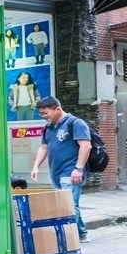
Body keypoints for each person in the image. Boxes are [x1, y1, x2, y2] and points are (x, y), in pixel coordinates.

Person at [30, 96, 92, 242]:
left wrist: (78, 169)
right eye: (41, 113)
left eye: (45, 113)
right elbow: (44, 148)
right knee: (63, 204)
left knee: (69, 204)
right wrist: (35, 166)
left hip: (71, 171)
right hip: (55, 172)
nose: (43, 116)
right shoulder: (48, 127)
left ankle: (72, 237)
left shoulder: (75, 123)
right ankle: (81, 233)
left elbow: (86, 146)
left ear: (57, 109)